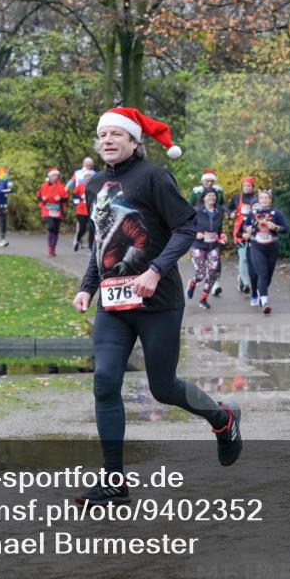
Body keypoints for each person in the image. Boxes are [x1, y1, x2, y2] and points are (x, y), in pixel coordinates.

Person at [72, 106, 242, 506]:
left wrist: (156, 271)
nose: (108, 140)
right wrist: (87, 287)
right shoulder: (94, 184)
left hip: (157, 301)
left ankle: (223, 418)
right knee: (104, 382)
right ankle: (113, 483)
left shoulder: (153, 177)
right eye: (103, 135)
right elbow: (100, 243)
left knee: (163, 388)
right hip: (114, 304)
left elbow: (188, 227)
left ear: (134, 141)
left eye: (117, 134)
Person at [241, 189, 289, 314]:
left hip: (272, 247)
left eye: (266, 198)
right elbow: (244, 226)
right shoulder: (253, 213)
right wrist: (248, 228)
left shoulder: (276, 213)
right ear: (259, 200)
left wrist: (276, 227)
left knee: (268, 276)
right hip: (256, 246)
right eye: (261, 198)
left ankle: (260, 291)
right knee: (262, 274)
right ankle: (265, 302)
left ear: (270, 200)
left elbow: (286, 228)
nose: (264, 200)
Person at [189, 188, 226, 310]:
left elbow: (220, 229)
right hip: (198, 246)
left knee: (212, 274)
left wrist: (222, 236)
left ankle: (203, 299)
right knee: (200, 273)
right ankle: (192, 283)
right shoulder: (196, 211)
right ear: (204, 197)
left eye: (214, 196)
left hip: (213, 246)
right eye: (209, 195)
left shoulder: (219, 211)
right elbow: (187, 228)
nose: (212, 198)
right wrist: (196, 234)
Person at [228, 177, 258, 294]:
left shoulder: (257, 199)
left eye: (249, 185)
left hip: (255, 230)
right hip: (240, 231)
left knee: (253, 259)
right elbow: (229, 208)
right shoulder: (237, 198)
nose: (246, 187)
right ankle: (246, 284)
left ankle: (242, 278)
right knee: (243, 258)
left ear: (253, 187)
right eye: (244, 185)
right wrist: (231, 213)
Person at [36, 167, 68, 257]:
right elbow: (38, 196)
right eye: (53, 175)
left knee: (56, 230)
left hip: (57, 210)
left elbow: (66, 198)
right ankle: (50, 248)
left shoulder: (61, 186)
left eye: (56, 175)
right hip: (47, 209)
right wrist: (42, 199)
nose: (55, 177)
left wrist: (60, 199)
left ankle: (53, 248)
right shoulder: (44, 186)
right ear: (49, 176)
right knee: (51, 226)